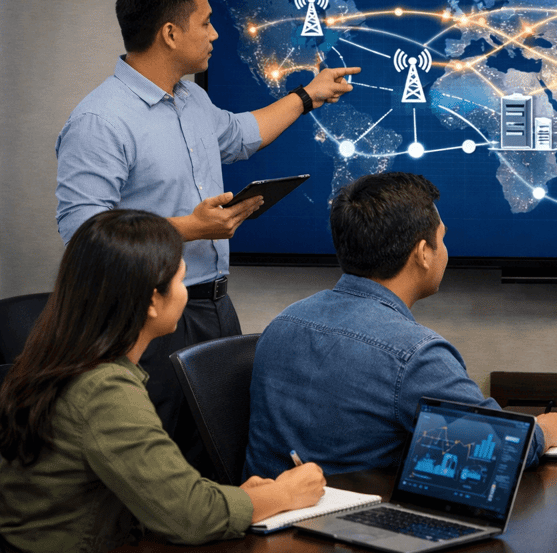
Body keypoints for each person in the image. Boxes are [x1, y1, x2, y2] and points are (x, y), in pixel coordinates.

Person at [53, 0, 360, 471]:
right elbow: (83, 233)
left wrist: (309, 95)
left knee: (218, 455)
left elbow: (241, 134)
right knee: (159, 465)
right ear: (170, 33)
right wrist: (188, 230)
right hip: (145, 318)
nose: (216, 33)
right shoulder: (100, 120)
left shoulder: (191, 99)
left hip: (215, 307)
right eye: (206, 22)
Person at [0, 210, 326, 552]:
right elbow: (188, 517)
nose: (184, 293)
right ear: (153, 301)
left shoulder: (51, 359)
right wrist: (285, 493)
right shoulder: (104, 391)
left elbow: (161, 489)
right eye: (180, 281)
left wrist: (245, 498)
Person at [244, 172, 557, 477]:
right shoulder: (413, 355)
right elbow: (498, 447)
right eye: (441, 239)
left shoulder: (283, 322)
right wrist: (544, 431)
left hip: (270, 525)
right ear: (423, 253)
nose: (445, 250)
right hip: (356, 527)